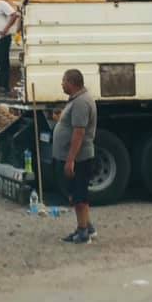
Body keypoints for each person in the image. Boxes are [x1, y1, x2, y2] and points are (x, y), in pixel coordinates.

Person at [52, 69, 98, 245]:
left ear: (72, 82)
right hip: (73, 157)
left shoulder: (81, 102)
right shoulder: (77, 100)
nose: (62, 84)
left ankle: (83, 233)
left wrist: (70, 160)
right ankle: (87, 227)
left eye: (63, 81)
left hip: (79, 159)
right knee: (76, 194)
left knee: (79, 196)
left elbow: (79, 132)